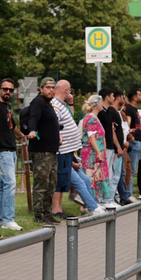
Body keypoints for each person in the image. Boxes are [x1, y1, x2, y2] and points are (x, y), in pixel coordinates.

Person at [0, 78, 23, 231]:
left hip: (10, 149)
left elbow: (12, 125)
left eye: (10, 90)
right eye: (5, 89)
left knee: (3, 184)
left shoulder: (6, 107)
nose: (8, 92)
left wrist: (22, 135)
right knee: (10, 183)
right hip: (1, 149)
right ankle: (8, 219)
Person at [27, 78, 61, 224]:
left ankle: (47, 213)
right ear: (41, 89)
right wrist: (32, 130)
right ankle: (39, 214)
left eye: (53, 87)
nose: (51, 90)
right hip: (41, 150)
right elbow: (33, 117)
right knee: (41, 182)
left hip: (51, 150)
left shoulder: (49, 104)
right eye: (48, 87)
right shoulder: (38, 102)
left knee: (51, 183)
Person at [50, 79, 78, 221]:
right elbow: (55, 123)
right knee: (59, 178)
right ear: (67, 90)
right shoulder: (56, 105)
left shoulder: (62, 104)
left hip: (67, 149)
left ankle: (59, 207)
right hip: (61, 149)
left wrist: (71, 103)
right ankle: (56, 209)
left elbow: (70, 119)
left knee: (63, 179)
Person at [79, 95, 113, 205]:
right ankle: (90, 202)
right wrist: (98, 152)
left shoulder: (94, 118)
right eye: (101, 102)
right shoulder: (91, 118)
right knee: (91, 176)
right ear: (97, 104)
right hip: (91, 154)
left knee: (97, 176)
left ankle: (97, 200)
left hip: (95, 153)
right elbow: (91, 136)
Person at [98, 88, 124, 200]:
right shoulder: (101, 113)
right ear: (107, 97)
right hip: (104, 147)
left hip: (110, 147)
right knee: (105, 174)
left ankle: (109, 198)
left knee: (110, 174)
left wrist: (118, 146)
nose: (114, 98)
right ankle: (104, 199)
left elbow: (111, 130)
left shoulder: (108, 111)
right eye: (113, 96)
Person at [125, 89, 141, 199]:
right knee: (130, 170)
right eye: (140, 94)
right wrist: (130, 136)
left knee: (132, 169)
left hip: (138, 142)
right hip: (133, 142)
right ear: (134, 98)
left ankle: (128, 193)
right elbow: (127, 124)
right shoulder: (130, 109)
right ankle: (128, 194)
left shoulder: (135, 109)